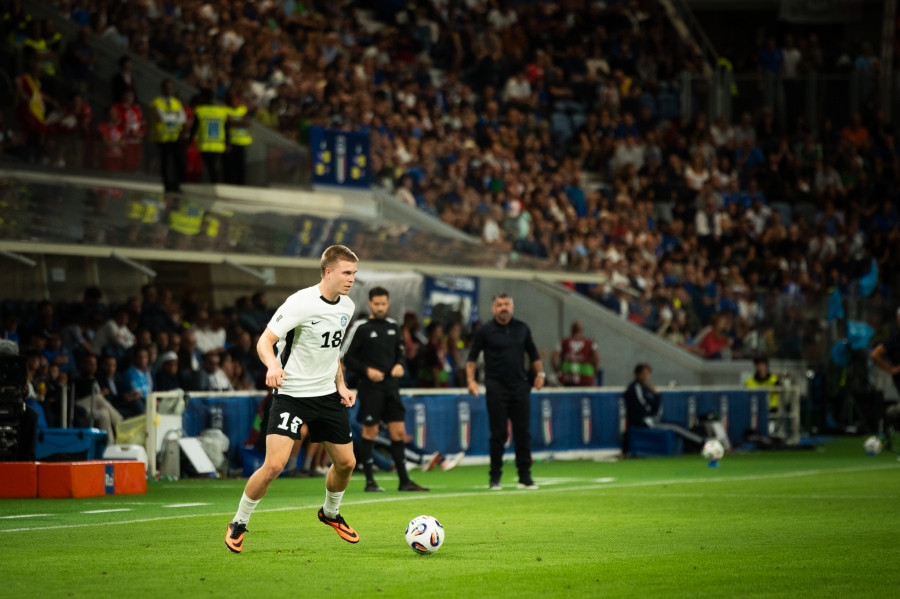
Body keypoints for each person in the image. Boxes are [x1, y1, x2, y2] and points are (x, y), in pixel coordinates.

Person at [226, 245, 360, 553]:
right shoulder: (300, 302)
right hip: (292, 395)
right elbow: (265, 341)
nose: (352, 279)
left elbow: (332, 352)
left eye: (354, 273)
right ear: (328, 272)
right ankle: (238, 522)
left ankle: (330, 513)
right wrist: (273, 365)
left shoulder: (347, 306)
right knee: (274, 465)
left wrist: (340, 385)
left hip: (326, 395)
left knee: (346, 463)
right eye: (346, 273)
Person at [341, 287, 428, 493]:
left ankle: (404, 481)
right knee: (370, 432)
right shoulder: (360, 327)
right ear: (369, 304)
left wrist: (399, 365)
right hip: (370, 388)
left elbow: (400, 354)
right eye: (376, 304)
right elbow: (345, 356)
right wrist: (367, 370)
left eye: (383, 304)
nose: (380, 307)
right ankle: (370, 481)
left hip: (391, 388)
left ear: (388, 304)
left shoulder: (394, 326)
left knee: (399, 432)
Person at [465, 293, 544, 490]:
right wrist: (470, 381)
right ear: (493, 309)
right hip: (496, 388)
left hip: (520, 387)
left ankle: (525, 477)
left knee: (522, 433)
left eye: (507, 304)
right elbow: (472, 357)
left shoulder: (522, 328)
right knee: (498, 434)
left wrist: (540, 373)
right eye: (499, 305)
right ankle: (495, 477)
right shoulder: (485, 331)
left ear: (512, 307)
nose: (503, 308)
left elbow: (533, 353)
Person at [623, 363, 705, 451]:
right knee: (675, 427)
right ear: (637, 374)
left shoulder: (648, 389)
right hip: (643, 422)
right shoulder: (634, 388)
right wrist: (651, 417)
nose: (645, 376)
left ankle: (699, 443)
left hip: (653, 420)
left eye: (647, 374)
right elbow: (641, 407)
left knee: (678, 425)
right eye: (643, 374)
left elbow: (655, 407)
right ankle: (703, 443)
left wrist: (657, 396)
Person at [150, 79, 186, 192]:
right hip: (162, 138)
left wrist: (169, 116)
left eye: (171, 88)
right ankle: (167, 186)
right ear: (162, 89)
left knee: (179, 161)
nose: (169, 90)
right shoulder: (157, 102)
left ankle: (180, 184)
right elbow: (162, 118)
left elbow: (183, 118)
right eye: (167, 88)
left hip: (175, 137)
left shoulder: (176, 102)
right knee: (165, 163)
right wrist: (175, 116)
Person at [190, 89, 230, 183]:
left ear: (204, 98)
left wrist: (190, 140)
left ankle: (215, 183)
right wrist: (227, 143)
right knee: (213, 166)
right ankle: (215, 183)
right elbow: (226, 128)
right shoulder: (221, 111)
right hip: (218, 144)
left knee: (210, 166)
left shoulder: (200, 111)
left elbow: (194, 128)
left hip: (205, 144)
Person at [552, 321, 601, 386]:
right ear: (582, 330)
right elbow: (597, 359)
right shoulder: (591, 343)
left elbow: (554, 359)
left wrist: (558, 372)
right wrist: (594, 373)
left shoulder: (563, 342)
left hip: (566, 380)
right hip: (586, 380)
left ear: (571, 329)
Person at [225, 89, 252, 185]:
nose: (234, 100)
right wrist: (239, 122)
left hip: (241, 142)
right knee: (229, 166)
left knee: (240, 165)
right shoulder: (225, 109)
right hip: (230, 142)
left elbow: (246, 123)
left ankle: (240, 184)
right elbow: (228, 123)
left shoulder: (243, 109)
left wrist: (234, 122)